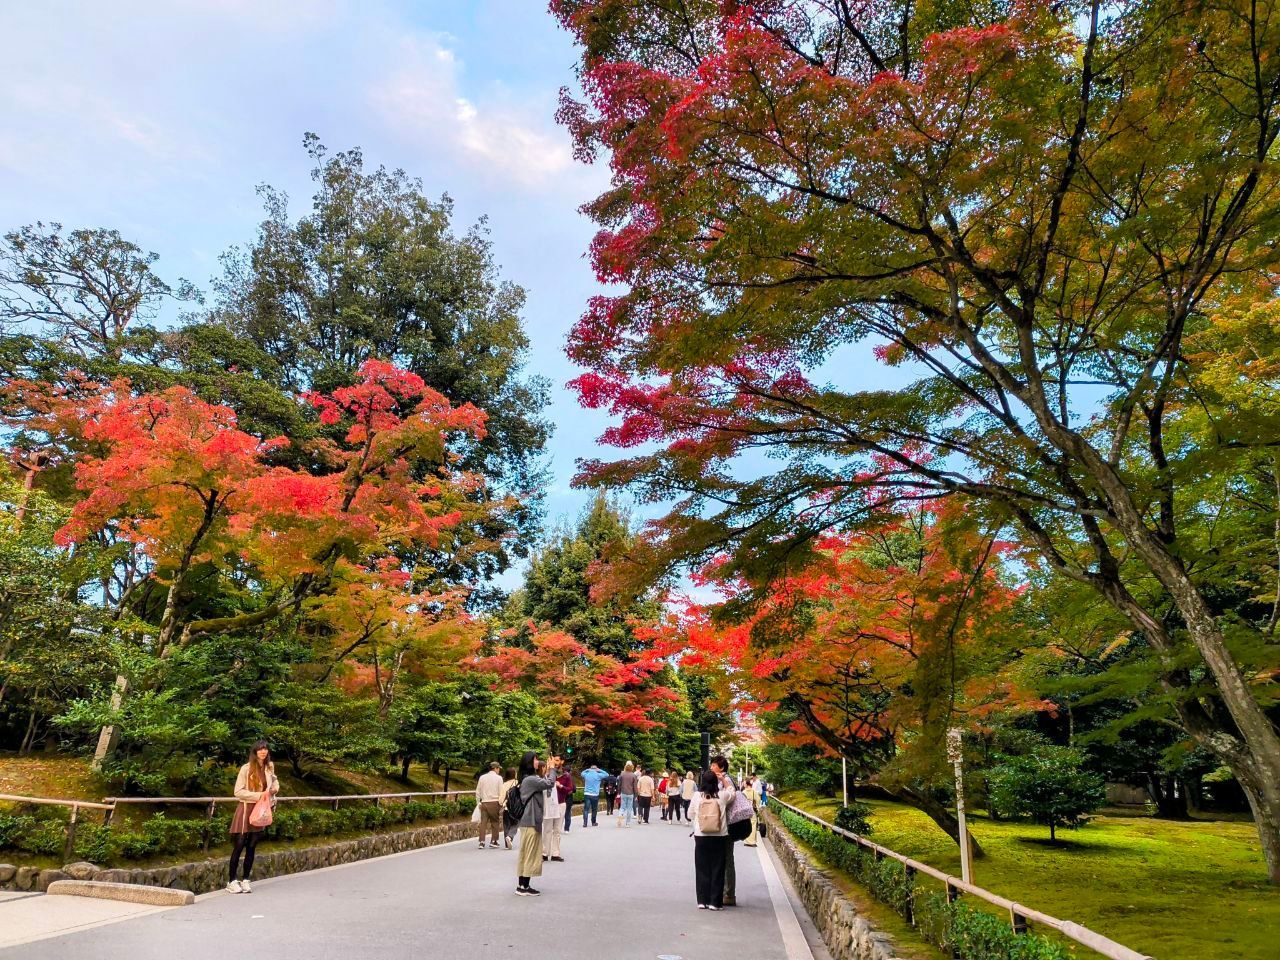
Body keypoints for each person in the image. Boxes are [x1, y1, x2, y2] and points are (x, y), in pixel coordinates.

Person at [227, 740, 279, 894]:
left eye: (265, 749)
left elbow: (275, 783)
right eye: (260, 749)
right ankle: (231, 881)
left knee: (252, 846)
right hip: (246, 808)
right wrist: (259, 795)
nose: (263, 751)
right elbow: (238, 792)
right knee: (239, 844)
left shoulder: (269, 767)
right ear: (255, 752)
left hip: (261, 809)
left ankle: (245, 880)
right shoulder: (246, 768)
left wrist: (274, 790)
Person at [515, 750, 561, 896]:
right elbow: (550, 783)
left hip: (527, 820)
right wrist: (553, 768)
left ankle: (522, 885)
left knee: (526, 853)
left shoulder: (527, 779)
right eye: (535, 759)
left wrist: (548, 771)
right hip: (531, 820)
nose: (537, 762)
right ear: (529, 762)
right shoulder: (530, 780)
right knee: (530, 853)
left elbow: (544, 783)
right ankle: (524, 886)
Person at [691, 769, 732, 910]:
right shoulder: (722, 796)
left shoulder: (697, 796)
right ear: (715, 782)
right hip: (719, 836)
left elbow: (690, 813)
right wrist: (724, 780)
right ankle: (715, 902)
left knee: (702, 868)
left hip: (700, 835)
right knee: (717, 868)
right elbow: (733, 792)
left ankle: (702, 900)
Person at [710, 755, 739, 905]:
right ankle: (726, 892)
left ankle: (728, 894)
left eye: (714, 765)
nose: (711, 767)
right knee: (725, 858)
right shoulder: (724, 779)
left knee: (726, 858)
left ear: (721, 767)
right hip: (724, 824)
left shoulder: (725, 781)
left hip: (726, 824)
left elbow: (727, 798)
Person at [476, 761, 505, 849]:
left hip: (484, 802)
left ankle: (481, 841)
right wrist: (501, 803)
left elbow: (478, 791)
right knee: (495, 822)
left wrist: (478, 803)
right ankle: (494, 841)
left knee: (483, 823)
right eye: (498, 768)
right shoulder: (499, 778)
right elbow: (501, 792)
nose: (499, 770)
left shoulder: (482, 777)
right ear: (495, 768)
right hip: (494, 802)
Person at [542, 765, 565, 864]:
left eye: (557, 761)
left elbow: (570, 789)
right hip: (548, 805)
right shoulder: (543, 778)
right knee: (547, 830)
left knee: (557, 830)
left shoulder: (566, 776)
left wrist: (561, 786)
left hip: (559, 804)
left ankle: (555, 853)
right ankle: (544, 852)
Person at [580, 762, 608, 826]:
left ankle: (585, 823)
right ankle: (593, 822)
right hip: (595, 795)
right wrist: (599, 770)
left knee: (586, 809)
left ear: (590, 768)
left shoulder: (586, 774)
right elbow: (606, 774)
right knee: (594, 809)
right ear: (596, 769)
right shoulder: (598, 775)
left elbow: (581, 773)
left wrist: (587, 769)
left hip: (587, 794)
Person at [501, 767, 520, 849]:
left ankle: (506, 843)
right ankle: (510, 836)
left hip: (506, 808)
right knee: (516, 823)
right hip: (516, 808)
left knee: (506, 825)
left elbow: (501, 799)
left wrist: (502, 803)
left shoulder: (504, 785)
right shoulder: (518, 783)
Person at [742, 775, 760, 846]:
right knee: (753, 825)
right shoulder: (754, 792)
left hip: (745, 812)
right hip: (752, 811)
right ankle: (752, 841)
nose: (743, 784)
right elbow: (758, 800)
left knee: (746, 825)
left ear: (746, 784)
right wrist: (758, 808)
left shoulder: (743, 792)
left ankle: (746, 841)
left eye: (744, 783)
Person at [617, 761, 638, 826]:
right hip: (630, 793)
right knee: (629, 808)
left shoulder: (622, 774)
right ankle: (627, 823)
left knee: (622, 807)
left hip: (623, 793)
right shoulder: (633, 775)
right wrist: (636, 795)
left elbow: (619, 785)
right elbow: (635, 787)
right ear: (632, 767)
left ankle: (620, 815)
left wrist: (619, 792)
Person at [559, 765, 575, 833]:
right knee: (567, 813)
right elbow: (574, 789)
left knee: (560, 813)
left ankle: (558, 828)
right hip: (568, 798)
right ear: (570, 771)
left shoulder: (560, 777)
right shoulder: (571, 778)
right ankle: (566, 829)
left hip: (562, 797)